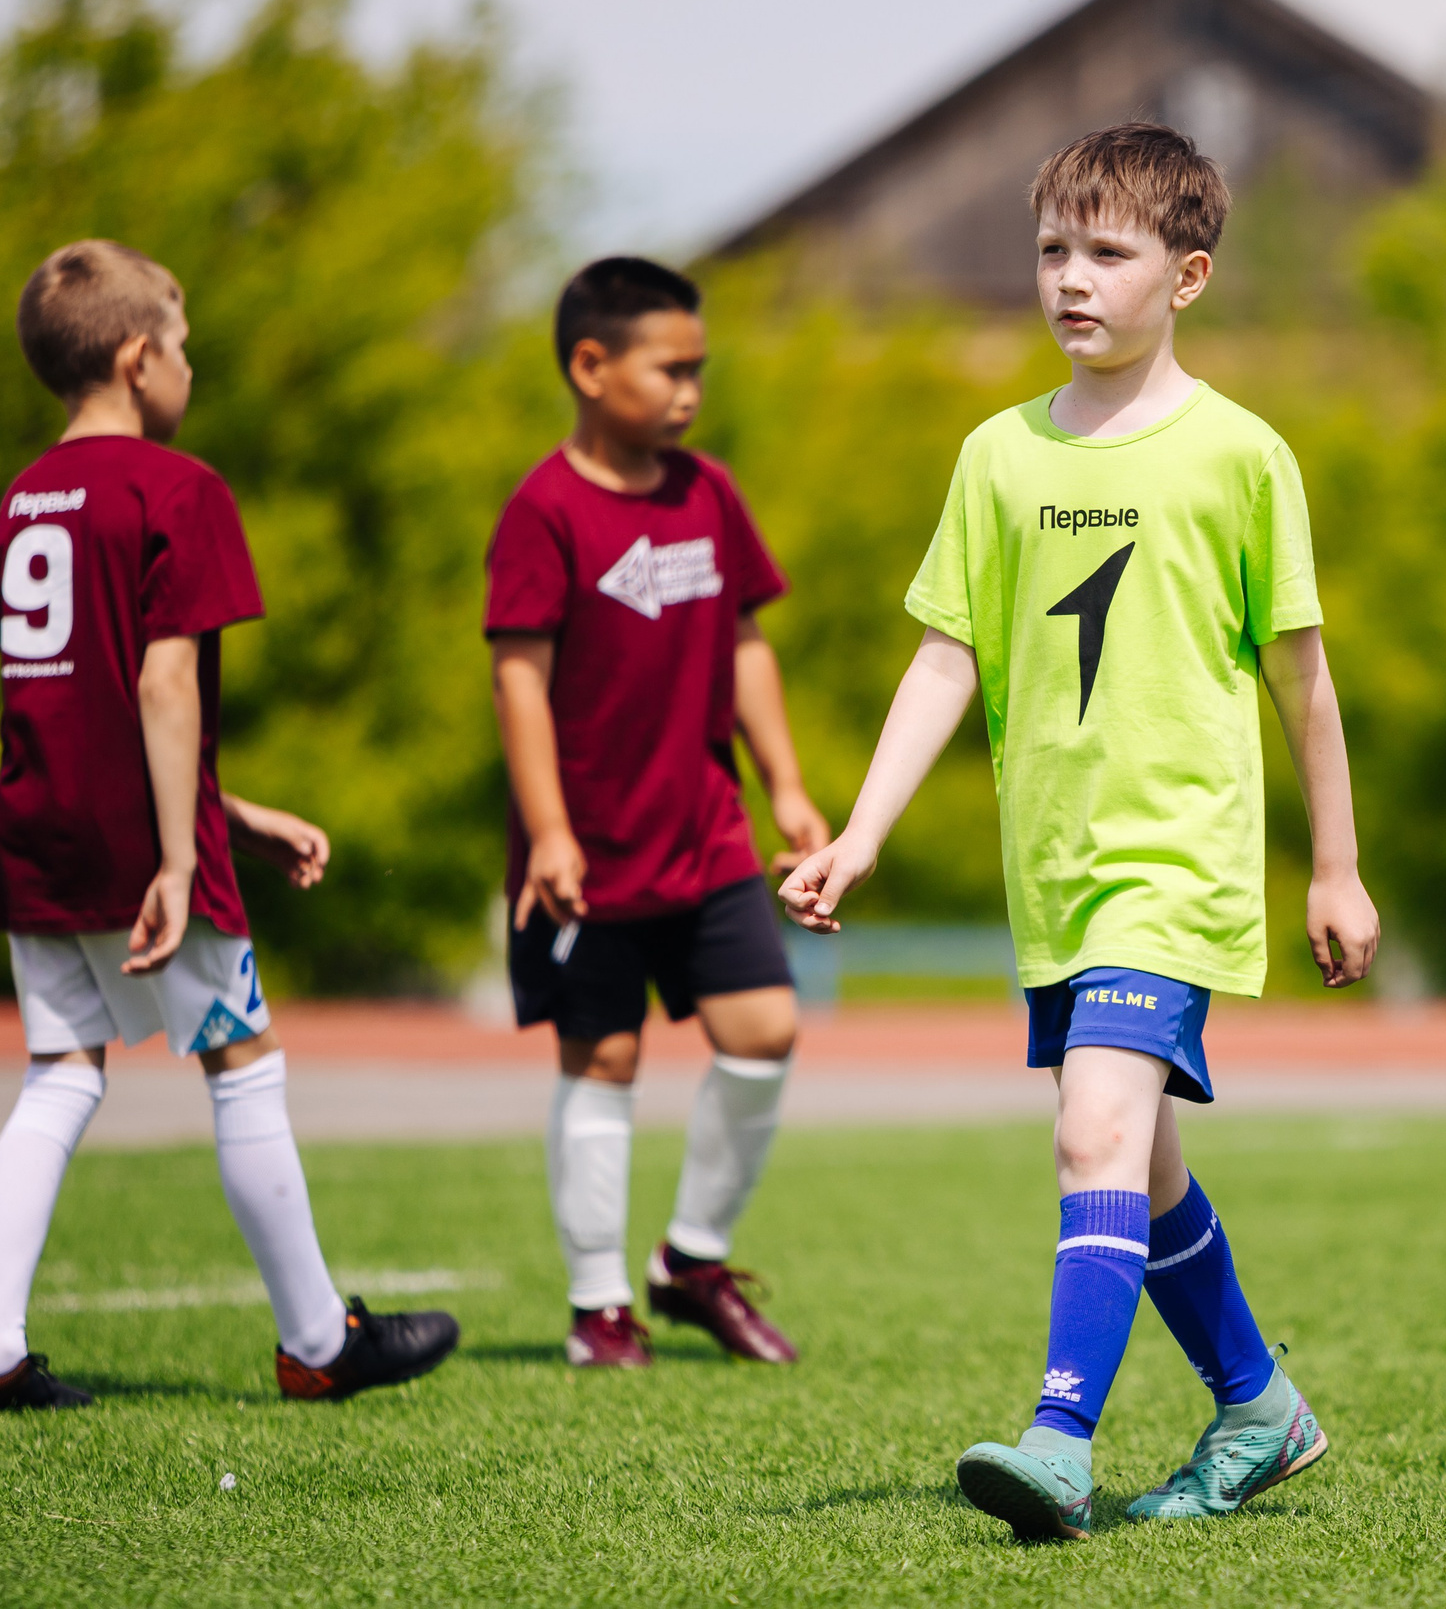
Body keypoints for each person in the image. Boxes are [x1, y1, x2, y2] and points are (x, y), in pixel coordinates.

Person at [779, 123, 1381, 1539]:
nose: (1071, 277)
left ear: (1188, 275)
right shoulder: (996, 455)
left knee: (1093, 1123)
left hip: (1178, 866)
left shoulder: (1242, 455)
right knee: (1143, 1159)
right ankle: (1259, 1405)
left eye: (1106, 252)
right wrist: (860, 831)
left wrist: (1339, 865)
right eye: (1053, 248)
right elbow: (948, 659)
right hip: (1054, 873)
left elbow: (1303, 676)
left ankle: (1061, 1434)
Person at [0, 239, 460, 1413]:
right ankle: (320, 1340)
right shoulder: (179, 489)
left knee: (59, 1075)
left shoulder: (21, 498)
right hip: (144, 850)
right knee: (243, 1066)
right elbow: (162, 686)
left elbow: (83, 705)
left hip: (37, 832)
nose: (189, 365)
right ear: (136, 355)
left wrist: (236, 809)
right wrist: (182, 852)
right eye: (182, 345)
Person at [485, 257, 829, 1369]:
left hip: (706, 830)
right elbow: (518, 678)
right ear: (589, 366)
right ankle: (598, 1308)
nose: (689, 389)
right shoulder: (544, 508)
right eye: (668, 367)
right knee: (605, 1058)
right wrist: (547, 829)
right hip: (586, 851)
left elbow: (744, 644)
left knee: (764, 1030)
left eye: (699, 368)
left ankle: (690, 1258)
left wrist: (782, 783)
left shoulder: (707, 492)